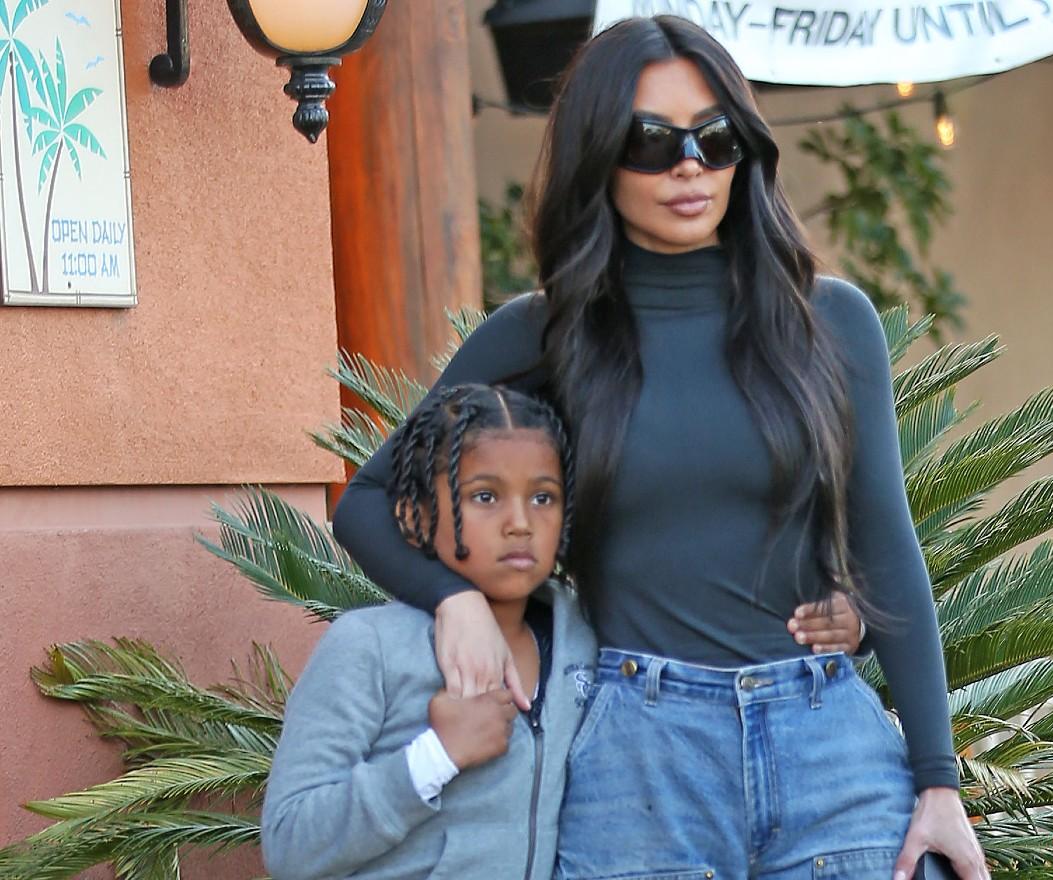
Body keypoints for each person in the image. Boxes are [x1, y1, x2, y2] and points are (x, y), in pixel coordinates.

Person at [332, 15, 987, 880]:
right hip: (641, 757)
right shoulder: (544, 334)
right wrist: (453, 600)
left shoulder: (830, 321)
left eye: (714, 139)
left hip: (829, 747)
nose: (689, 165)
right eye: (652, 141)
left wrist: (938, 783)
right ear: (598, 156)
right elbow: (367, 505)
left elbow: (886, 542)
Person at [260, 384, 596, 880]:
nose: (521, 523)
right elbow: (290, 845)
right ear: (416, 517)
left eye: (543, 497)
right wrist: (435, 756)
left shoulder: (584, 646)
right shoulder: (368, 648)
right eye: (485, 496)